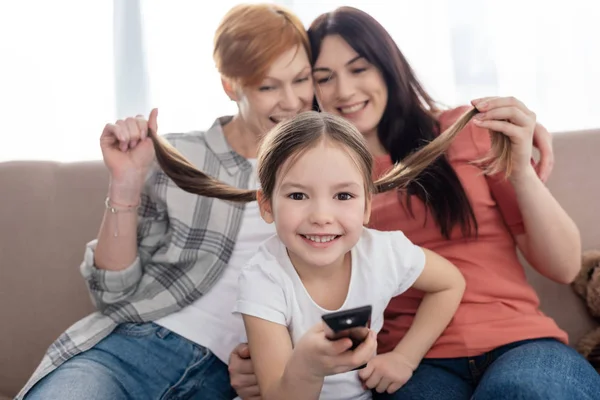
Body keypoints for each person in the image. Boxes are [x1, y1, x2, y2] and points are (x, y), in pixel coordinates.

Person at [19, 4, 313, 399]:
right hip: (137, 346)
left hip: (234, 377)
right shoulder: (181, 156)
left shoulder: (324, 167)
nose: (292, 101)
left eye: (302, 79)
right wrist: (126, 183)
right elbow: (112, 292)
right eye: (268, 86)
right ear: (231, 86)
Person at [307, 6, 600, 399]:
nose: (344, 91)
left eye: (359, 69)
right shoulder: (322, 179)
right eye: (325, 78)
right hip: (412, 361)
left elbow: (564, 266)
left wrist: (521, 171)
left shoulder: (464, 132)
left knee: (523, 392)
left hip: (521, 344)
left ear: (388, 67)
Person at [148, 108, 484, 399]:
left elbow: (449, 283)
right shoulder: (263, 278)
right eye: (297, 196)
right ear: (267, 206)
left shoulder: (384, 253)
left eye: (343, 196)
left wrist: (405, 358)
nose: (322, 216)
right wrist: (308, 367)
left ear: (368, 204)